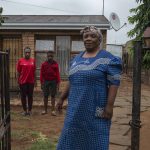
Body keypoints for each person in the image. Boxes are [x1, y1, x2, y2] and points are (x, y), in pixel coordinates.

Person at [56, 26, 122, 150]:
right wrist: (61, 98)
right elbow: (72, 80)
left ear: (99, 40)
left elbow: (114, 83)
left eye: (93, 36)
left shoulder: (107, 58)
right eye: (86, 36)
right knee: (70, 137)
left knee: (96, 137)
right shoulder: (76, 59)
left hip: (95, 108)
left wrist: (109, 106)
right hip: (75, 108)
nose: (88, 39)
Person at [17, 47, 36, 116]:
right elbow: (18, 72)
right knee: (23, 96)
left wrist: (35, 81)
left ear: (30, 53)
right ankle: (25, 110)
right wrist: (18, 80)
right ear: (24, 53)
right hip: (23, 82)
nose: (27, 53)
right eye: (26, 52)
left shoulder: (33, 60)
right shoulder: (20, 61)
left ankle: (30, 110)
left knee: (30, 96)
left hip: (31, 82)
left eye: (28, 52)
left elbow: (34, 71)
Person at [40, 51, 60, 116]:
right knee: (45, 95)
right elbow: (41, 74)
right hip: (46, 81)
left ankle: (53, 111)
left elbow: (57, 74)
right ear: (47, 56)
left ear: (53, 56)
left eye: (51, 56)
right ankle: (45, 110)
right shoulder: (44, 64)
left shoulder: (55, 64)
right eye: (49, 56)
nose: (50, 57)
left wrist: (58, 83)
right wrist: (41, 83)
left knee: (53, 96)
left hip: (53, 81)